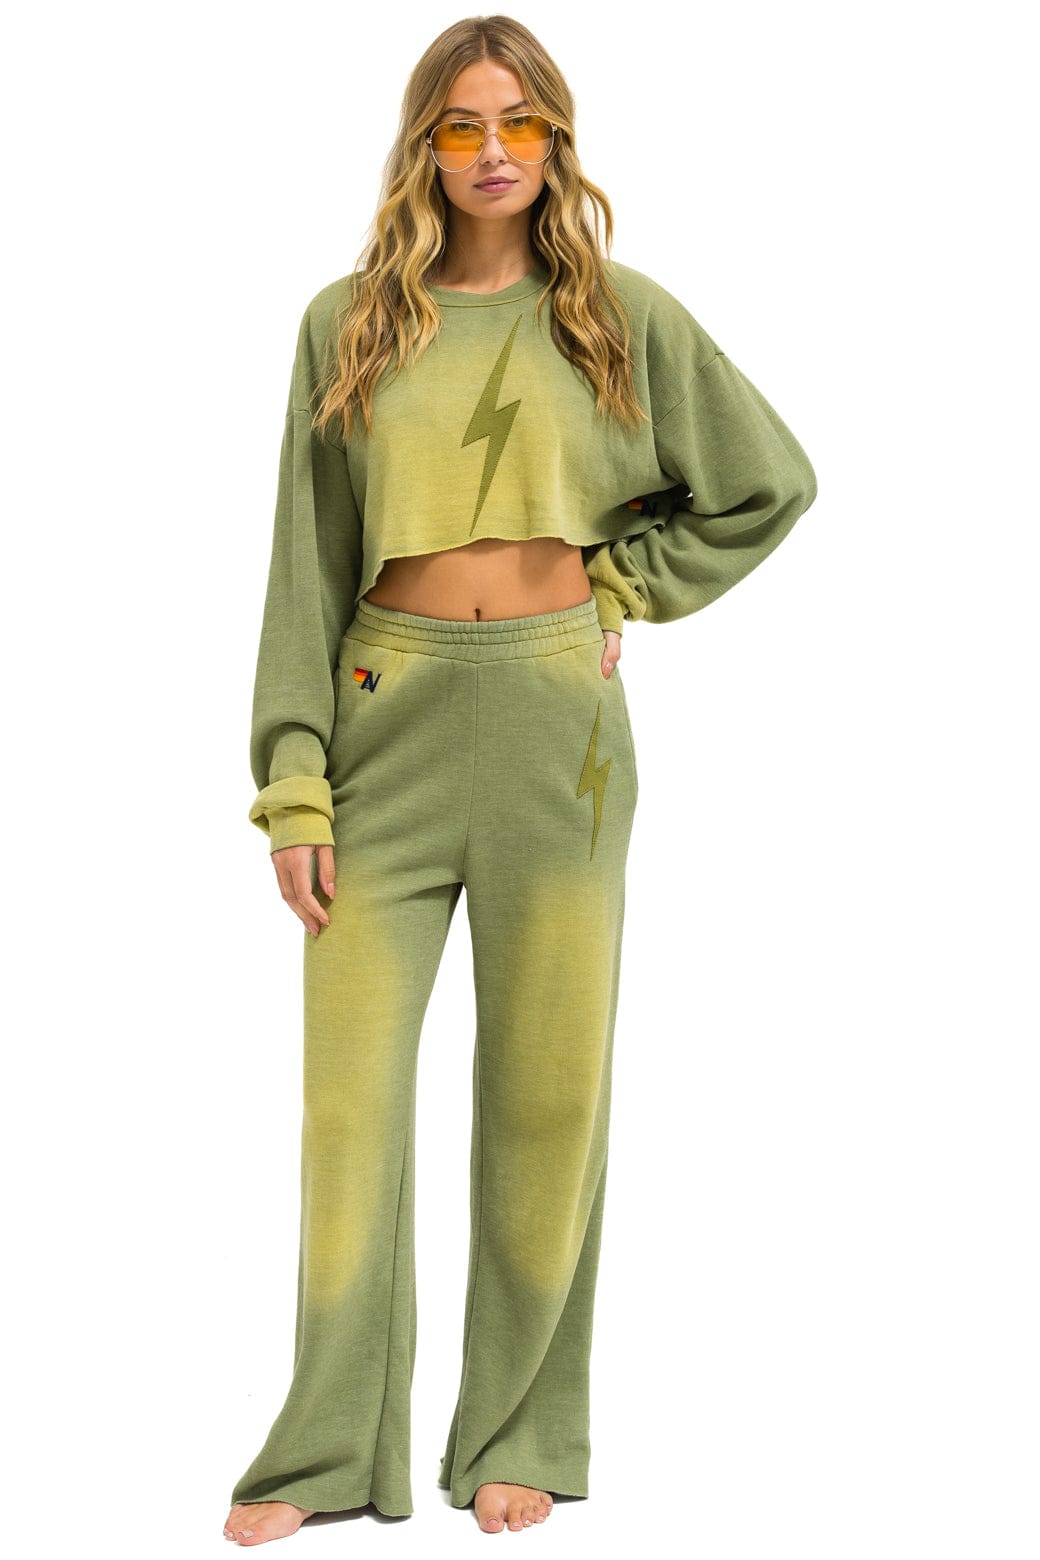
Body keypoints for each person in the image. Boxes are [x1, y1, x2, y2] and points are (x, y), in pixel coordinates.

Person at [223, 12, 817, 1546]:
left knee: (548, 1102)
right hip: (386, 721)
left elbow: (769, 481)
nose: (492, 153)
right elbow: (303, 567)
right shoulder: (349, 325)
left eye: (521, 124)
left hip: (564, 735)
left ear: (556, 140)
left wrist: (624, 584)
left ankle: (523, 1433)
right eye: (461, 127)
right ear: (423, 148)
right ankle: (327, 1454)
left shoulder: (620, 315)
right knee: (348, 1117)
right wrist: (294, 783)